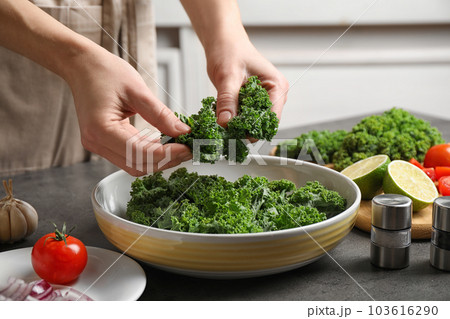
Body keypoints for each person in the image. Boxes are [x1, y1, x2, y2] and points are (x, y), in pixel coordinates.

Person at [0, 0, 288, 176]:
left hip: (129, 35)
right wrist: (76, 61)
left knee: (140, 165)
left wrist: (227, 36)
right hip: (25, 60)